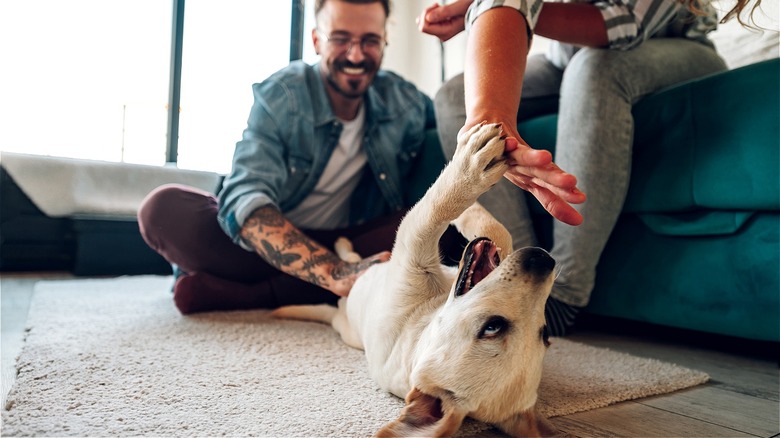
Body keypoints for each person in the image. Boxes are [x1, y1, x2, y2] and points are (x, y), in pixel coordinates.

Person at [138, 0, 581, 315]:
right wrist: (337, 274)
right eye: (341, 39)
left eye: (369, 40)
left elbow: (443, 171)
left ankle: (253, 294)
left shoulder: (405, 103)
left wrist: (501, 150)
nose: (355, 54)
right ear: (315, 39)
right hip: (272, 242)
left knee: (444, 233)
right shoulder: (283, 94)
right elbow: (245, 199)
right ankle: (292, 288)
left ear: (385, 41)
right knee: (162, 209)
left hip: (354, 240)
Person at [418, 0, 741, 335]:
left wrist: (513, 8)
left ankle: (565, 293)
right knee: (455, 95)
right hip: (568, 58)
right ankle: (519, 275)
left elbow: (620, 23)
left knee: (594, 67)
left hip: (676, 49)